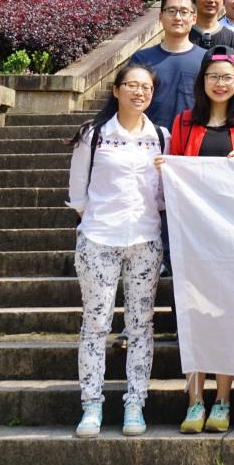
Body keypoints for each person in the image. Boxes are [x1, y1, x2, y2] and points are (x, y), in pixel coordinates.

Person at [163, 47, 234, 435]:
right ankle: (194, 401)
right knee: (194, 316)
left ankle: (222, 399)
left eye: (227, 77)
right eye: (213, 76)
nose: (220, 84)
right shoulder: (184, 122)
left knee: (228, 316)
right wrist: (167, 166)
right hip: (193, 236)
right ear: (202, 81)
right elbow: (174, 171)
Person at [67, 64, 166, 439]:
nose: (139, 92)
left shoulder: (161, 136)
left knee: (141, 326)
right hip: (98, 240)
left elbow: (163, 196)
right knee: (96, 324)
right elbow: (78, 194)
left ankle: (135, 402)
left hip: (145, 240)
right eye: (132, 85)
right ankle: (91, 404)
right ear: (116, 89)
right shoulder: (92, 135)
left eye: (146, 87)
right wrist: (100, 222)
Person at [130, 0, 206, 131]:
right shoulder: (141, 59)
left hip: (193, 137)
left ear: (194, 18)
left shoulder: (206, 59)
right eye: (171, 11)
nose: (177, 17)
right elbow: (128, 102)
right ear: (160, 16)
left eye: (184, 12)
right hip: (149, 137)